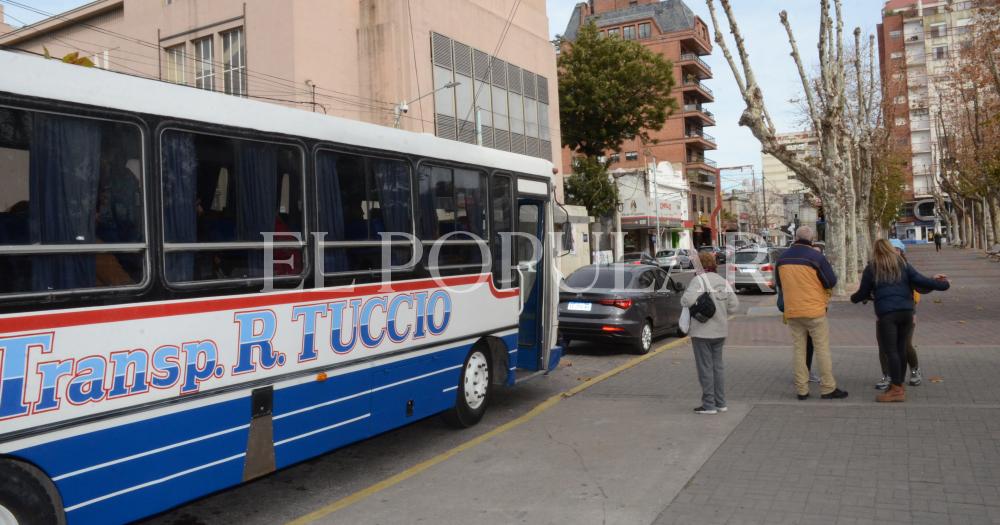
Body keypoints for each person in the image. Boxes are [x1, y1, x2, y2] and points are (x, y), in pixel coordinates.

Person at [851, 238, 949, 402]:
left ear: (875, 251)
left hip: (887, 315)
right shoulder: (902, 264)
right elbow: (921, 281)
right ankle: (899, 385)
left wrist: (853, 298)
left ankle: (896, 389)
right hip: (906, 312)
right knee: (901, 348)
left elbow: (862, 292)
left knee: (891, 352)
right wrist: (943, 284)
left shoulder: (872, 267)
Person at [775, 226, 848, 400]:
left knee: (799, 350)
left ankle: (802, 390)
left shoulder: (782, 259)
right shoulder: (816, 257)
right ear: (812, 239)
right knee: (822, 349)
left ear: (795, 237)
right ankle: (828, 388)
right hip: (815, 310)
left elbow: (779, 284)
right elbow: (830, 281)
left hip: (793, 311)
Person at [681, 252, 740, 415]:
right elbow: (734, 306)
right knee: (718, 367)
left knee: (705, 368)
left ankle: (708, 405)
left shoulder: (698, 280)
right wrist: (721, 310)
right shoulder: (722, 281)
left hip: (702, 332)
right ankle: (721, 403)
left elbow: (686, 301)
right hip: (720, 331)